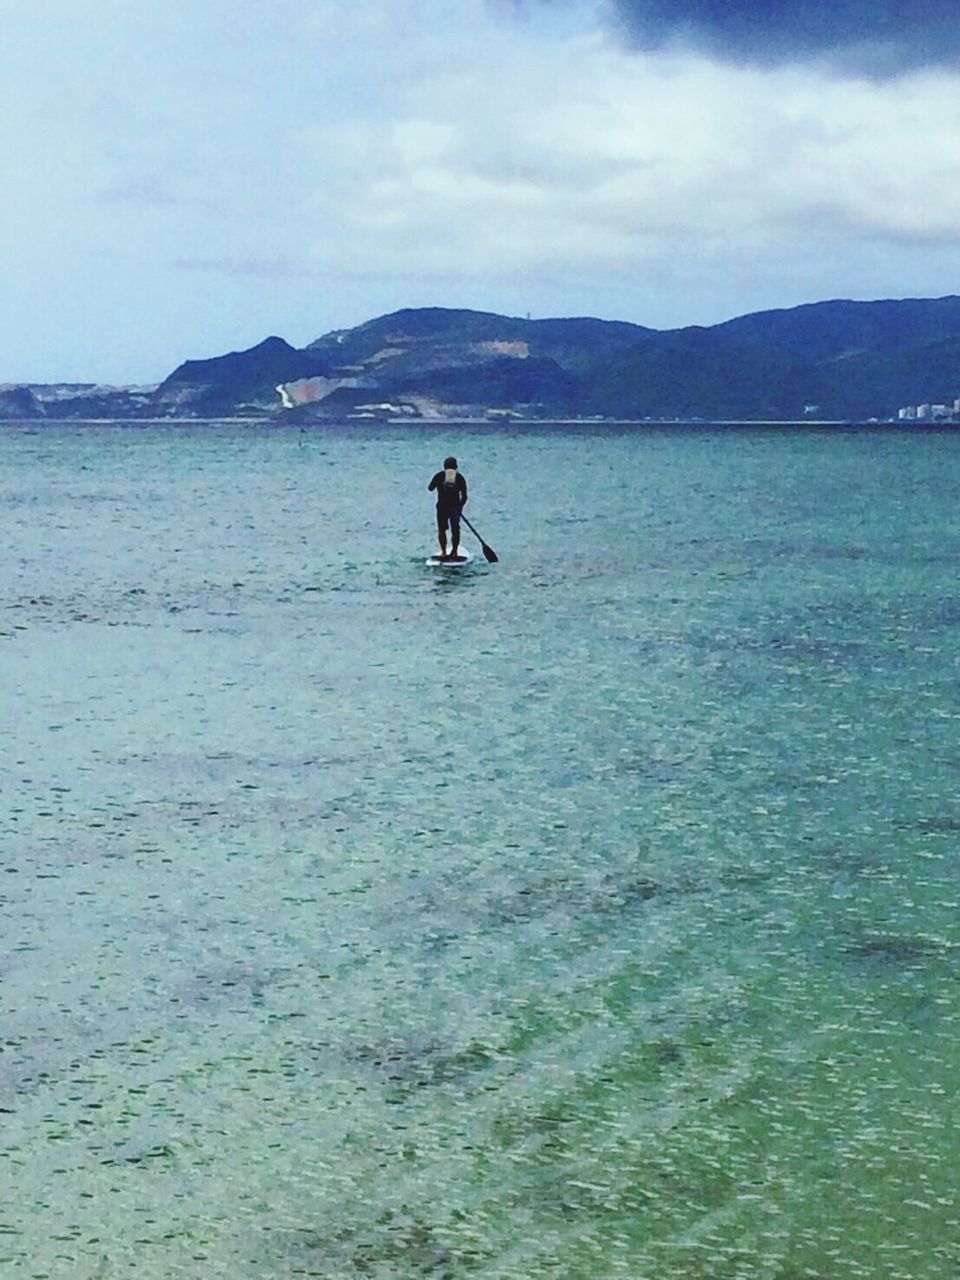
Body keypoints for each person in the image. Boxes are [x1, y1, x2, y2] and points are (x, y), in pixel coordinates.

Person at [428, 456, 468, 560]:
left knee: (442, 530)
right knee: (455, 530)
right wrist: (459, 507)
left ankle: (443, 552)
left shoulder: (439, 476)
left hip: (442, 507)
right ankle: (454, 552)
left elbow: (430, 488)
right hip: (454, 508)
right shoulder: (460, 477)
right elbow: (464, 496)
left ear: (444, 466)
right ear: (456, 467)